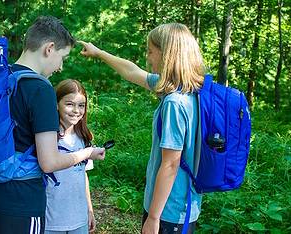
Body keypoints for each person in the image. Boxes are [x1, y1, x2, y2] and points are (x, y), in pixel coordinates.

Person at [0, 16, 105, 234]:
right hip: (20, 202)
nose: (61, 66)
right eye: (62, 57)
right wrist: (87, 152)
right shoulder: (40, 89)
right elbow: (49, 162)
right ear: (49, 48)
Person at [79, 22, 204, 234]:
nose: (148, 57)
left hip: (167, 211)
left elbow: (171, 165)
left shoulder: (174, 102)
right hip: (184, 204)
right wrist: (99, 52)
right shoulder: (191, 91)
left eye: (150, 51)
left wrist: (154, 218)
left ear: (167, 54)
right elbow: (131, 72)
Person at [45, 79, 96, 234]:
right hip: (51, 221)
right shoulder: (47, 137)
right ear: (56, 104)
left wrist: (90, 209)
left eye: (81, 105)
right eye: (69, 104)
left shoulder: (84, 137)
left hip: (79, 220)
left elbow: (83, 175)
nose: (76, 110)